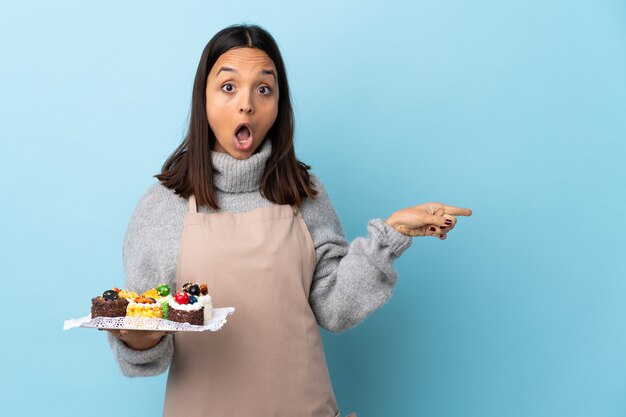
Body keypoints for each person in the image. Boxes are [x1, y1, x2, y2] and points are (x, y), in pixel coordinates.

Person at [105, 23, 472, 417]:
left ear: (279, 105)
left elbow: (334, 308)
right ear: (203, 99)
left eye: (263, 89)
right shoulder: (163, 206)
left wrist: (392, 234)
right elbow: (145, 346)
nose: (246, 104)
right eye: (228, 87)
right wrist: (139, 337)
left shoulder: (304, 191)